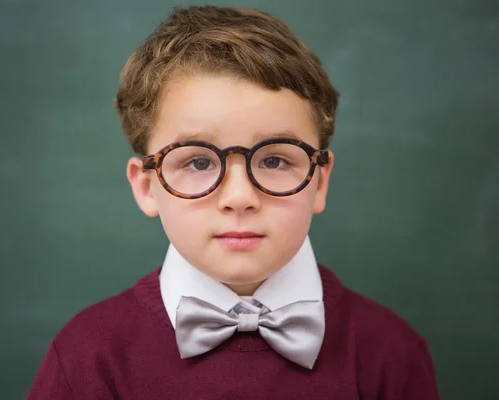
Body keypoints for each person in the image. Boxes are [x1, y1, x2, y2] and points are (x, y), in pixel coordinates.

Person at [27, 5, 439, 399]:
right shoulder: (88, 357)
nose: (240, 198)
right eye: (199, 161)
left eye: (275, 159)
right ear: (146, 186)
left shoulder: (392, 356)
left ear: (320, 181)